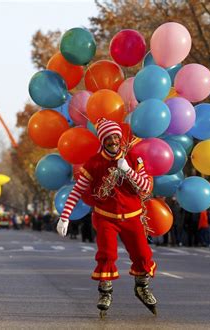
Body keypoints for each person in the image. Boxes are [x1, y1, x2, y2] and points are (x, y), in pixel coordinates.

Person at [56, 118, 157, 317]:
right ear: (103, 140)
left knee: (143, 254)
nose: (113, 140)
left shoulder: (133, 158)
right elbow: (78, 190)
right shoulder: (94, 163)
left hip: (132, 216)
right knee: (107, 254)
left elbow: (146, 187)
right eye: (108, 137)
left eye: (116, 136)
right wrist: (65, 216)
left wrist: (127, 171)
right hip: (106, 217)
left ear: (120, 138)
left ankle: (142, 287)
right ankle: (105, 292)